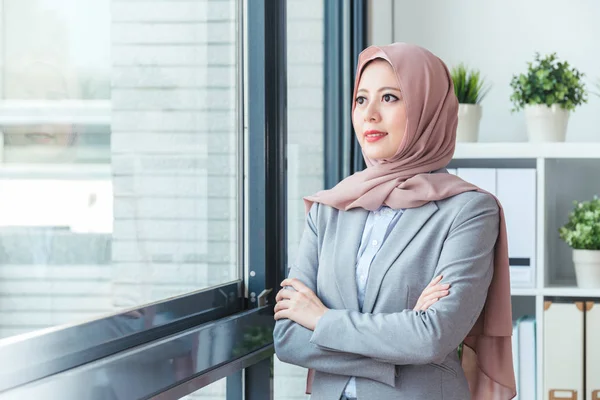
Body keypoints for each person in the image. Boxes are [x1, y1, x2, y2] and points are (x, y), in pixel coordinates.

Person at [273, 43, 516, 400]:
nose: (370, 114)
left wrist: (322, 319)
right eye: (361, 99)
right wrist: (399, 346)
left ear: (426, 109)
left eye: (389, 98)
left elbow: (432, 336)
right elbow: (288, 340)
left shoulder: (469, 210)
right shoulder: (329, 209)